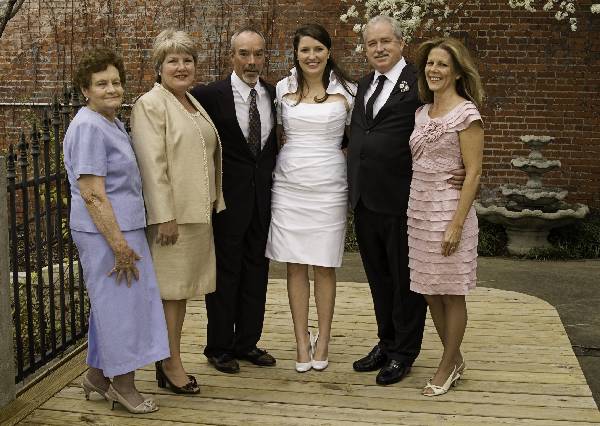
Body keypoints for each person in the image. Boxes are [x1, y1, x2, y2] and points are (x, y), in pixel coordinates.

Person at [347, 16, 465, 386]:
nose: (379, 48)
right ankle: (386, 342)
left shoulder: (420, 82)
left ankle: (404, 352)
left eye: (386, 41)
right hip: (365, 199)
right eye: (372, 43)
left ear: (401, 43)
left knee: (405, 284)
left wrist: (465, 167)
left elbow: (456, 117)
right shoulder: (363, 85)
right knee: (379, 280)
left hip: (405, 201)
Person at [64, 48, 169, 414]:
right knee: (122, 310)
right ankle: (124, 387)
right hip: (107, 235)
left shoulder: (109, 121)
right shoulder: (88, 127)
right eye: (101, 84)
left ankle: (96, 376)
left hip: (123, 230)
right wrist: (120, 247)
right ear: (85, 90)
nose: (111, 89)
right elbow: (92, 194)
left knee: (114, 306)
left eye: (116, 82)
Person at [130, 29, 225, 393]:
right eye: (173, 61)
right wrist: (163, 216)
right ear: (159, 67)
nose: (182, 66)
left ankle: (168, 358)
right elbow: (152, 165)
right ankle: (170, 364)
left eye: (188, 60)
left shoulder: (190, 101)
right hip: (173, 220)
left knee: (180, 292)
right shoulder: (151, 104)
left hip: (196, 215)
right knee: (171, 293)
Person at [265, 23, 356, 372]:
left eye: (318, 49)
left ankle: (325, 340)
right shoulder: (282, 88)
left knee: (325, 264)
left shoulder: (349, 90)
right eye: (305, 49)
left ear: (328, 52)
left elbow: (357, 139)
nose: (312, 56)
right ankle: (301, 341)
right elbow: (275, 136)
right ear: (296, 53)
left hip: (330, 185)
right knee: (295, 264)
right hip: (290, 185)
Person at [190, 28, 277, 374]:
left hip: (264, 202)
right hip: (226, 203)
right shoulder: (209, 96)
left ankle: (247, 342)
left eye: (258, 54)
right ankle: (219, 346)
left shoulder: (274, 94)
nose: (251, 61)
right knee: (225, 276)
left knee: (257, 273)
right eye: (244, 53)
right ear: (231, 57)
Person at [409, 37, 484, 396]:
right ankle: (454, 359)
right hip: (419, 212)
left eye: (442, 64)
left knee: (452, 293)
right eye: (430, 63)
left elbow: (473, 172)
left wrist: (456, 224)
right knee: (429, 291)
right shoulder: (421, 113)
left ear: (456, 72)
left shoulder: (467, 114)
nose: (434, 70)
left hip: (450, 212)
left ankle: (447, 365)